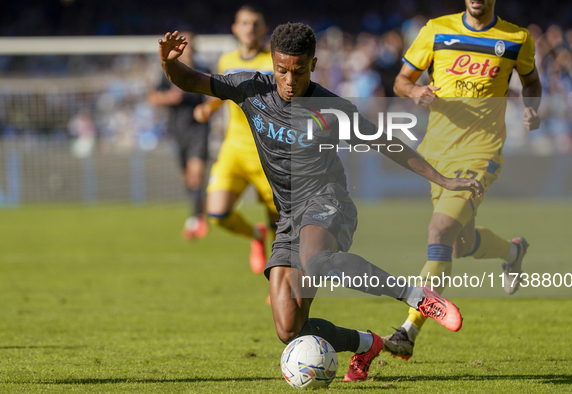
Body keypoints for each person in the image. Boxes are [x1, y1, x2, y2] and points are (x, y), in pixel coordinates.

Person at [158, 24, 483, 382]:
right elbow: (190, 81)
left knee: (318, 261)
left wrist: (444, 180)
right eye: (281, 70)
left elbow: (387, 143)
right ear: (273, 63)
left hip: (329, 202)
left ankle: (418, 296)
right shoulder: (250, 88)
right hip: (289, 216)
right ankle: (367, 343)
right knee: (289, 329)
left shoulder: (331, 108)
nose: (289, 80)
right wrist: (168, 63)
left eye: (298, 71)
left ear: (313, 64)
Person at [383, 0, 542, 360]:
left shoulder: (517, 38)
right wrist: (416, 92)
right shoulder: (436, 30)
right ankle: (514, 252)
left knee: (439, 231)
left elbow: (532, 82)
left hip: (480, 154)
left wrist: (532, 107)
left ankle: (408, 331)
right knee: (457, 244)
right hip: (436, 155)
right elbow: (401, 82)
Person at [193, 6, 278, 275]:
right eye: (244, 23)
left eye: (255, 23)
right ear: (235, 28)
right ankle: (255, 234)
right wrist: (209, 107)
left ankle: (280, 287)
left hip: (269, 153)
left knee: (281, 226)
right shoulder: (226, 60)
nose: (250, 28)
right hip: (235, 149)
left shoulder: (274, 62)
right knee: (217, 213)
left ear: (265, 29)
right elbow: (223, 91)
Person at [148, 31, 210, 240]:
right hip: (178, 129)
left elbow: (216, 93)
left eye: (191, 43)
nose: (189, 47)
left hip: (199, 128)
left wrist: (208, 108)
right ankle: (198, 206)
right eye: (185, 43)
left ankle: (195, 219)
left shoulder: (203, 70)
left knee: (196, 173)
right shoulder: (170, 70)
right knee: (186, 177)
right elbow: (154, 97)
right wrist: (170, 98)